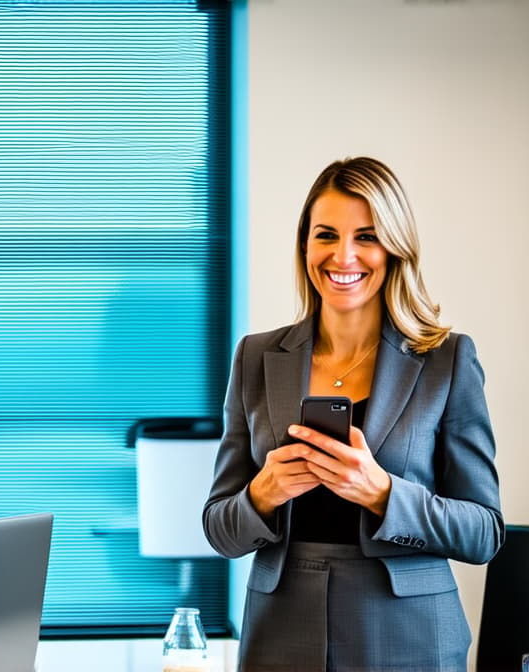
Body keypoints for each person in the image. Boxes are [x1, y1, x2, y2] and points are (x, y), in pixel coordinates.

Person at [202, 156, 504, 671]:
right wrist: (264, 492)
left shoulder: (447, 360)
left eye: (366, 236)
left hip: (408, 635)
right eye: (326, 235)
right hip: (281, 633)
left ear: (394, 248)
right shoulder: (255, 356)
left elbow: (484, 533)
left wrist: (383, 493)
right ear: (305, 245)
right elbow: (220, 529)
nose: (343, 255)